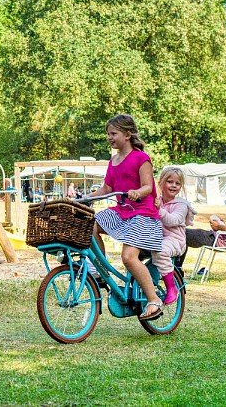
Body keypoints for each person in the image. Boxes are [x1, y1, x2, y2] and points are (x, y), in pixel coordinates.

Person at [87, 114, 164, 320]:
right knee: (91, 223)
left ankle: (154, 300)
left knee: (128, 257)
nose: (109, 138)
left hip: (143, 213)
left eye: (113, 133)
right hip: (122, 212)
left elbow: (148, 186)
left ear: (127, 134)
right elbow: (106, 188)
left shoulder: (141, 158)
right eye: (108, 134)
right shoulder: (113, 161)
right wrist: (85, 198)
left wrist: (138, 192)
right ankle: (99, 270)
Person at [151, 167, 196, 304]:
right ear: (161, 183)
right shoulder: (156, 200)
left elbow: (173, 221)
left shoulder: (181, 205)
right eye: (170, 181)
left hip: (175, 239)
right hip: (155, 236)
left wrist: (159, 209)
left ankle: (171, 287)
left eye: (177, 183)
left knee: (160, 250)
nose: (173, 186)